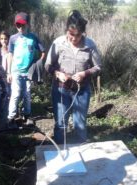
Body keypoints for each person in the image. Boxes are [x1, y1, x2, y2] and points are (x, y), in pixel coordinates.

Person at [45, 10, 102, 144]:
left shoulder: (90, 45)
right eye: (71, 34)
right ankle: (60, 153)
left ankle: (81, 152)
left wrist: (85, 73)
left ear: (83, 33)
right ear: (67, 31)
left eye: (78, 35)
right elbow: (48, 65)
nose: (74, 38)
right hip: (60, 90)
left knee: (80, 124)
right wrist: (57, 73)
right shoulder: (58, 43)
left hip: (81, 91)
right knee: (60, 124)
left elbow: (98, 67)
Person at [6, 12, 46, 129]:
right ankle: (11, 118)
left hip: (29, 71)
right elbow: (10, 55)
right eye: (18, 25)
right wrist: (9, 72)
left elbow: (42, 52)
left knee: (27, 94)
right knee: (16, 93)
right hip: (16, 70)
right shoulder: (13, 38)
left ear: (27, 24)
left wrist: (38, 63)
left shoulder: (33, 37)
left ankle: (26, 115)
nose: (21, 28)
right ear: (15, 26)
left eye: (23, 25)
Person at [0, 30, 10, 118]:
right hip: (0, 74)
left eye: (5, 39)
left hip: (10, 74)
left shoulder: (11, 49)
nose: (3, 40)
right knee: (3, 92)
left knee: (9, 92)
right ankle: (0, 111)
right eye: (1, 39)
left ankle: (8, 111)